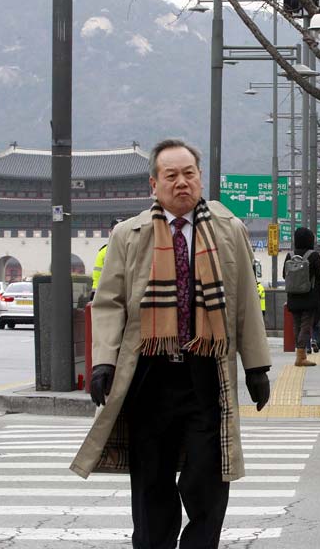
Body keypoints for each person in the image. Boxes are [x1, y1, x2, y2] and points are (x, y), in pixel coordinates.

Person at [70, 139, 272, 549]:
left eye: (189, 174)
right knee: (151, 479)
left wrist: (257, 366)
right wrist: (103, 362)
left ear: (200, 178)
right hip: (148, 374)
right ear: (154, 184)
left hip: (206, 372)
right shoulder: (129, 234)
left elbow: (246, 301)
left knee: (208, 476)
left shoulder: (228, 230)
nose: (182, 183)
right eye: (171, 176)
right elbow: (108, 302)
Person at [284, 227, 320, 365]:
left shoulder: (290, 255)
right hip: (309, 297)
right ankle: (301, 356)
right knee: (306, 325)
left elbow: (284, 275)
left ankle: (300, 354)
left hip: (293, 296)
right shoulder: (313, 255)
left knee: (296, 324)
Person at [90, 217, 124, 298]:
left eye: (121, 229)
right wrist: (95, 293)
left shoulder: (134, 249)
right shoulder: (103, 252)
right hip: (107, 295)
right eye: (115, 230)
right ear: (110, 231)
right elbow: (97, 275)